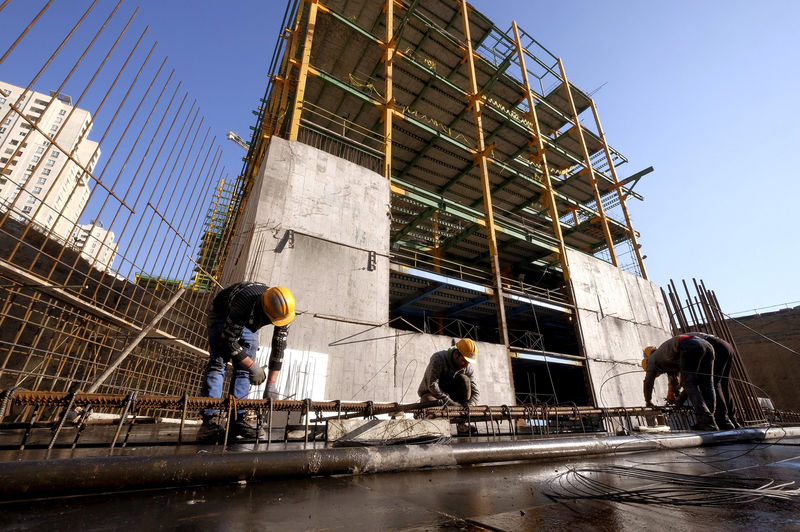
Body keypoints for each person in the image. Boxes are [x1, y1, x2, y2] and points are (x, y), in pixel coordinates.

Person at [199, 282, 295, 441]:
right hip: (223, 315)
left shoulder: (285, 312)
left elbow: (279, 346)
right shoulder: (244, 302)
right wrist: (254, 367)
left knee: (243, 370)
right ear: (265, 310)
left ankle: (237, 419)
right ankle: (211, 421)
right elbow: (229, 340)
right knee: (218, 364)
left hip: (248, 321)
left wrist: (271, 383)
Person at [641, 334, 717, 431]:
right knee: (706, 382)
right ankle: (711, 420)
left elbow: (648, 381)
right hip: (707, 346)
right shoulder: (667, 357)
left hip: (688, 345)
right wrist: (679, 399)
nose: (656, 376)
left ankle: (706, 421)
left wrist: (648, 400)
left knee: (689, 382)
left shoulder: (651, 361)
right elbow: (675, 382)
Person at [418, 338, 479, 407]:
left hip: (454, 397)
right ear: (456, 354)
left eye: (468, 362)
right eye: (464, 361)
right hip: (433, 395)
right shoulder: (438, 359)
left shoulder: (467, 367)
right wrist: (451, 403)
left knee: (465, 379)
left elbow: (475, 392)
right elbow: (432, 385)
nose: (466, 365)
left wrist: (471, 405)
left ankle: (462, 408)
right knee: (429, 400)